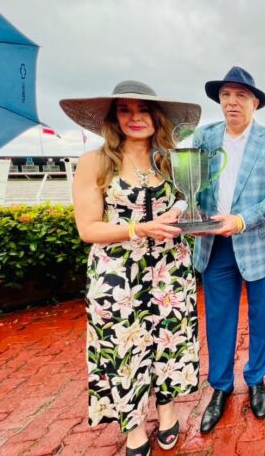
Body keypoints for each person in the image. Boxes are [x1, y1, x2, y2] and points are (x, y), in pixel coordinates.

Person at [62, 80, 202, 456]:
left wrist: (186, 212)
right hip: (118, 275)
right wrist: (138, 229)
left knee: (169, 343)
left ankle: (167, 411)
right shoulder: (95, 162)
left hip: (170, 271)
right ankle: (134, 428)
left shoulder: (171, 160)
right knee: (124, 350)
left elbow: (190, 204)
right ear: (113, 117)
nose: (135, 117)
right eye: (125, 110)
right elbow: (88, 229)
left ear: (157, 117)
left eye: (143, 110)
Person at [193, 66, 265, 433]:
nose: (232, 101)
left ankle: (256, 379)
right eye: (226, 95)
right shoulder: (203, 138)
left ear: (255, 102)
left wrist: (240, 220)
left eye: (241, 95)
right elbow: (190, 185)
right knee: (219, 318)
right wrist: (186, 210)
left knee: (261, 316)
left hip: (258, 244)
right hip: (214, 245)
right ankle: (220, 386)